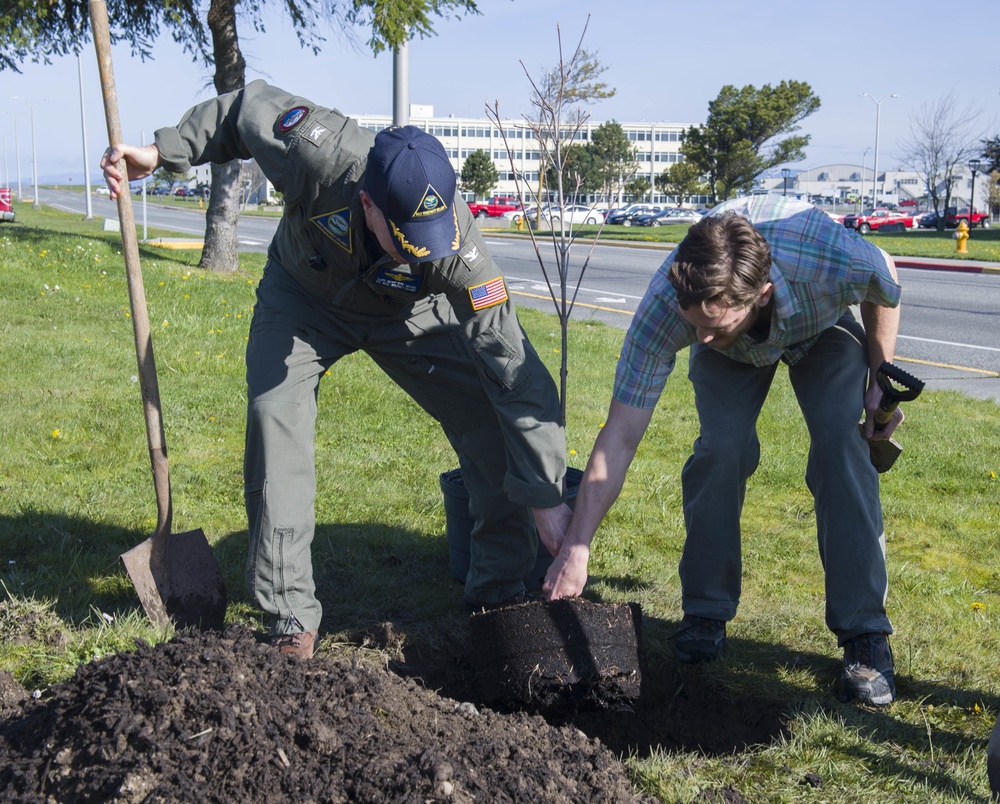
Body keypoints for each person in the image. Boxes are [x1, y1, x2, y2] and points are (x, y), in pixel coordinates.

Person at [102, 81, 572, 659]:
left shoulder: (457, 247)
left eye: (431, 243)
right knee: (276, 420)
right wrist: (166, 150)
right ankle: (289, 616)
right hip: (304, 297)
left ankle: (498, 595)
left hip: (410, 316)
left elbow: (512, 369)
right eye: (407, 243)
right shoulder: (318, 152)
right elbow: (244, 109)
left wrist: (547, 494)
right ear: (369, 205)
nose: (422, 253)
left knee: (488, 422)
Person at [543, 195, 905, 705]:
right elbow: (620, 434)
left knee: (842, 445)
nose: (702, 337)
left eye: (715, 322)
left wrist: (880, 374)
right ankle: (706, 612)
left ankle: (865, 633)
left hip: (818, 329)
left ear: (762, 293)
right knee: (721, 449)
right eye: (696, 325)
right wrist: (578, 545)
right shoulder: (673, 308)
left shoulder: (822, 254)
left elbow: (884, 276)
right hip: (740, 355)